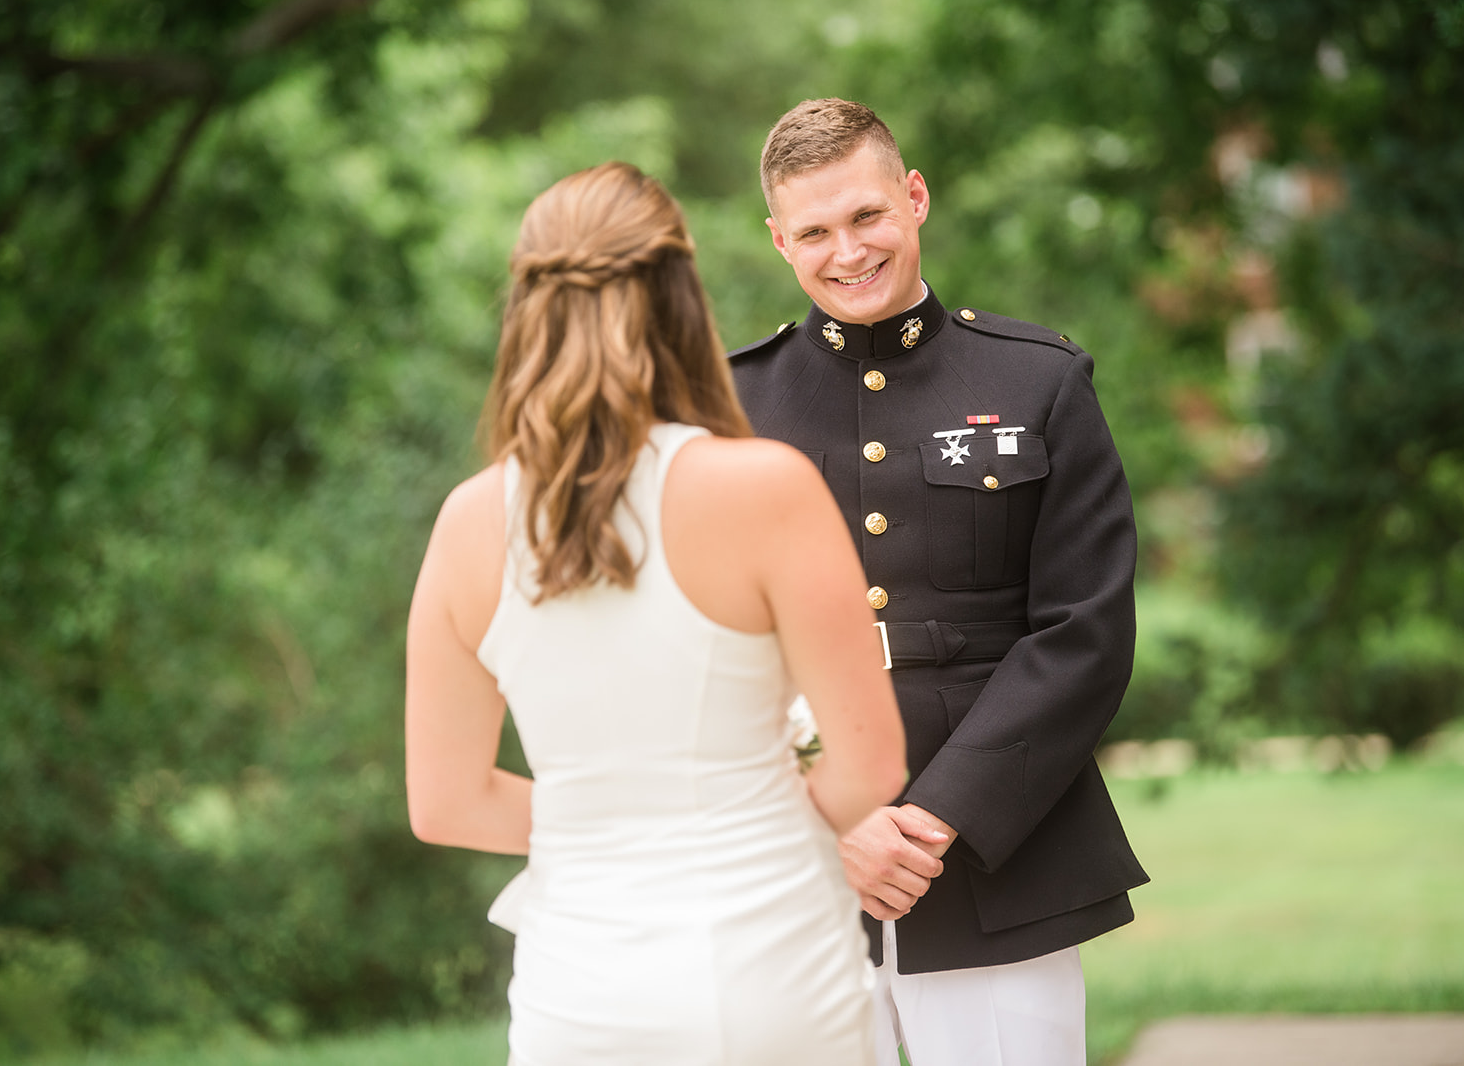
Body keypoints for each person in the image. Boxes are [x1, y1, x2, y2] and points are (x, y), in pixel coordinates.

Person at [404, 160, 906, 1066]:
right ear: (681, 298)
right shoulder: (765, 489)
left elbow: (445, 802)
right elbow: (870, 768)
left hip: (578, 993)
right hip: (774, 968)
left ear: (525, 309)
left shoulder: (467, 522)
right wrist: (741, 817)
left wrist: (607, 820)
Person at [729, 99, 1149, 1066]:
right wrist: (836, 817)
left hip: (1000, 855)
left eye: (867, 216)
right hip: (800, 871)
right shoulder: (731, 406)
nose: (847, 251)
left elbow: (1084, 630)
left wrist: (936, 817)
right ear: (778, 240)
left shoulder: (1040, 379)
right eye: (815, 231)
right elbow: (710, 651)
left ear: (914, 198)